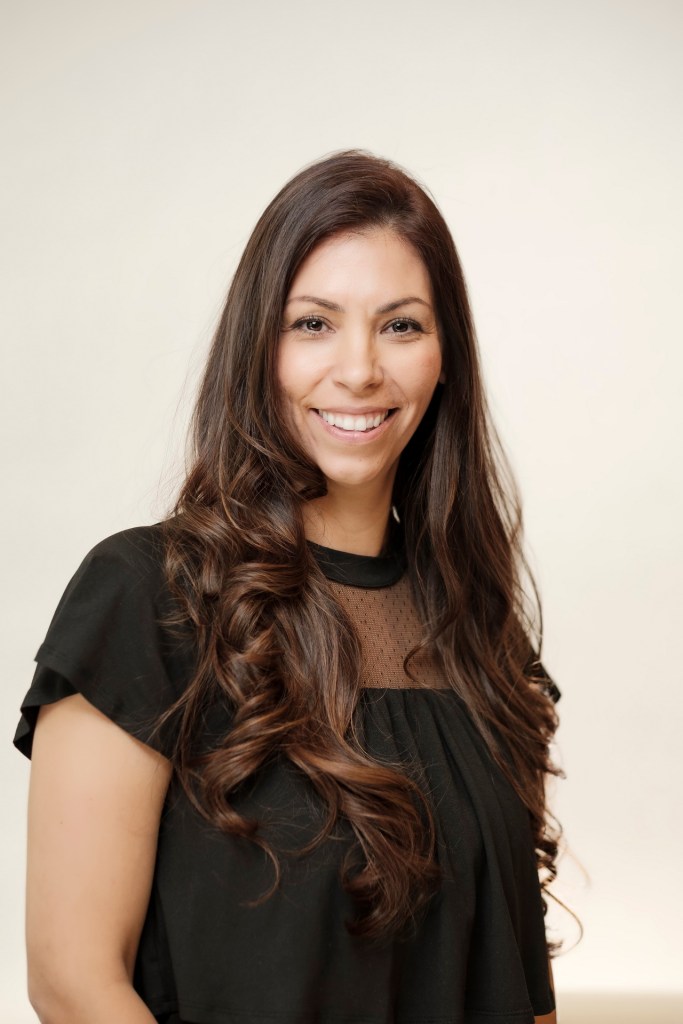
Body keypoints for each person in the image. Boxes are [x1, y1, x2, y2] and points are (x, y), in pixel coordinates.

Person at [15, 150, 562, 1024]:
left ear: (446, 355)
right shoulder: (145, 597)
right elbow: (74, 982)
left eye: (401, 326)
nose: (358, 371)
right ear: (256, 349)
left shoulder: (478, 630)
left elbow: (518, 982)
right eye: (312, 324)